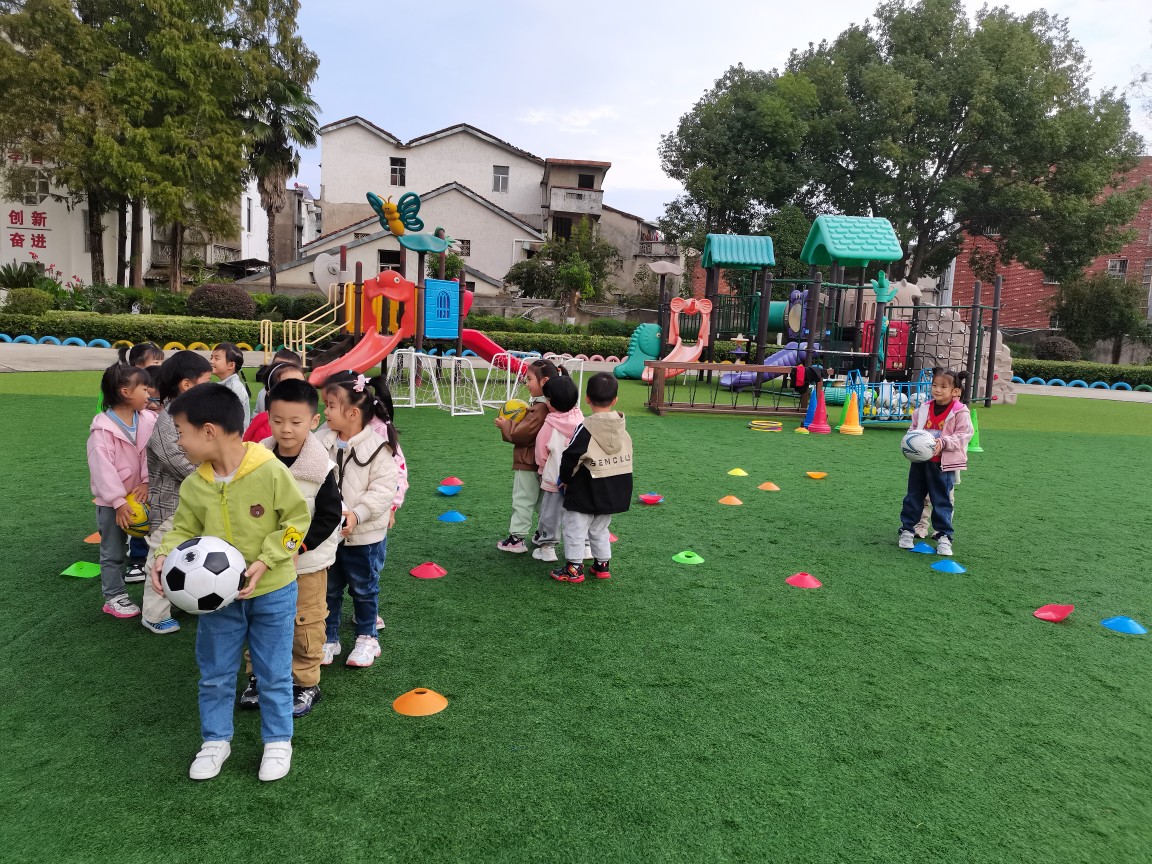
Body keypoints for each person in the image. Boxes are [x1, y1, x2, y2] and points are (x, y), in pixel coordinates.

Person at [150, 382, 310, 782]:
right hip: (217, 603)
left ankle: (278, 741)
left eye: (181, 432)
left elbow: (297, 523)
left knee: (274, 672)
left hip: (273, 591)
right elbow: (182, 529)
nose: (178, 442)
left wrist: (268, 560)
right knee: (216, 673)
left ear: (209, 431)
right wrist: (164, 554)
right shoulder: (195, 484)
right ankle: (216, 740)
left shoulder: (270, 470)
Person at [238, 378, 343, 718]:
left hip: (306, 564)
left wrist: (300, 546)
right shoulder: (256, 459)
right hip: (263, 564)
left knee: (305, 622)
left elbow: (329, 515)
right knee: (260, 619)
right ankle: (259, 677)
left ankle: (304, 682)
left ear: (313, 421)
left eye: (296, 422)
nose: (286, 429)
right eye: (278, 420)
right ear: (267, 417)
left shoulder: (320, 467)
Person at [317, 373, 399, 670]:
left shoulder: (378, 447)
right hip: (328, 536)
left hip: (364, 536)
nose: (325, 411)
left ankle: (367, 637)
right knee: (328, 589)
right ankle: (329, 638)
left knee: (364, 589)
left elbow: (383, 491)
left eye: (330, 405)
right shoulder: (318, 442)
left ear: (352, 414)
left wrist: (357, 514)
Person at [141, 350, 212, 634]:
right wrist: (214, 475)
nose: (210, 388)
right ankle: (154, 613)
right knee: (161, 554)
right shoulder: (168, 421)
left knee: (191, 553)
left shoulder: (191, 415)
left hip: (196, 502)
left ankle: (185, 597)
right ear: (186, 384)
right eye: (206, 382)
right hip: (171, 505)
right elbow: (179, 462)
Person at [88, 363, 156, 617]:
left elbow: (153, 454)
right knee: (113, 550)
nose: (149, 393)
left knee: (158, 543)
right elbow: (102, 469)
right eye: (144, 388)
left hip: (144, 497)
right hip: (112, 504)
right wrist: (118, 501)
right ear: (125, 392)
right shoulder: (102, 430)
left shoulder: (148, 419)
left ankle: (162, 590)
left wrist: (147, 482)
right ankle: (114, 597)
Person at [552, 372, 633, 584]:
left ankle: (574, 568)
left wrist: (565, 479)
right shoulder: (622, 429)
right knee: (600, 528)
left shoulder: (585, 428)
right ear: (615, 400)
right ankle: (602, 564)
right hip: (614, 489)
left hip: (586, 489)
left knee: (575, 528)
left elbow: (570, 457)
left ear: (587, 398)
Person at [898, 368, 973, 557]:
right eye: (934, 385)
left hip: (942, 466)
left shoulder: (960, 412)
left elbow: (964, 435)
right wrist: (910, 441)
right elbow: (913, 429)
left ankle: (944, 536)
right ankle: (907, 530)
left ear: (955, 391)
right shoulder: (923, 409)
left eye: (943, 386)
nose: (937, 389)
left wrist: (944, 442)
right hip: (920, 463)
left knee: (942, 501)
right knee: (913, 497)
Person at [494, 359, 558, 554]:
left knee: (523, 499)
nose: (526, 382)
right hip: (544, 463)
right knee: (542, 502)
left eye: (529, 379)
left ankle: (517, 539)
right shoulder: (551, 406)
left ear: (544, 381)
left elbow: (523, 434)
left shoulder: (540, 408)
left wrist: (506, 425)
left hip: (528, 461)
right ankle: (543, 535)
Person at [118, 342, 164, 580]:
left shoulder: (163, 417)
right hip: (135, 480)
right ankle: (137, 558)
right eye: (154, 362)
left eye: (157, 400)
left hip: (159, 479)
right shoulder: (131, 416)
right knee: (140, 511)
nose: (152, 402)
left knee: (158, 517)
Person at [531, 375, 583, 563]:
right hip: (578, 478)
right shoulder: (581, 419)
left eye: (547, 398)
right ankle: (585, 546)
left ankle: (548, 547)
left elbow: (541, 451)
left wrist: (541, 470)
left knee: (550, 512)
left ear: (552, 401)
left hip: (554, 476)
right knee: (579, 513)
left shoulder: (550, 423)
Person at [243, 361, 308, 443]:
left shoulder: (307, 418)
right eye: (289, 388)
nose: (298, 393)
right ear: (270, 393)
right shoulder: (267, 430)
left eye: (303, 386)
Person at [210, 342, 252, 428]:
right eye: (211, 357)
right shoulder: (224, 385)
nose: (211, 361)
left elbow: (229, 418)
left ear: (231, 365)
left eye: (216, 358)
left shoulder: (234, 388)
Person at [253, 348, 303, 414]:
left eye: (287, 368)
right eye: (276, 366)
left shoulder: (305, 399)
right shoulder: (263, 394)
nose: (280, 370)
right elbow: (257, 413)